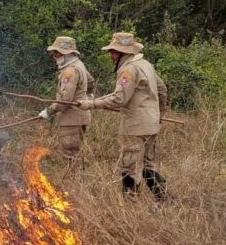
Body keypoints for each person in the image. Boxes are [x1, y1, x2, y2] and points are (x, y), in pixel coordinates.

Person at [77, 32, 168, 201]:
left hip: (134, 126)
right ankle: (162, 200)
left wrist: (90, 104)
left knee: (128, 166)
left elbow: (119, 99)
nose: (111, 56)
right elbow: (162, 89)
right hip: (151, 125)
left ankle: (130, 205)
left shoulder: (128, 69)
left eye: (113, 52)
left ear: (123, 53)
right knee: (150, 164)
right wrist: (159, 114)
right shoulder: (146, 64)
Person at [38, 36, 95, 162]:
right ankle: (77, 177)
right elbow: (91, 81)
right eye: (54, 53)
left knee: (69, 156)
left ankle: (73, 180)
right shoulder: (79, 64)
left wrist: (48, 111)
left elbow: (65, 100)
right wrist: (88, 95)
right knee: (75, 151)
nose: (54, 55)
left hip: (71, 119)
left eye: (57, 53)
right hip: (81, 117)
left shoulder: (70, 71)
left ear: (67, 53)